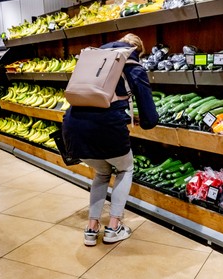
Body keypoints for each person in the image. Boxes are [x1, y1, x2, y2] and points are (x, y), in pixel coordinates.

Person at [62, 33, 159, 246]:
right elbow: (150, 118)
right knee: (125, 169)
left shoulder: (93, 58)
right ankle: (114, 227)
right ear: (137, 52)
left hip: (73, 125)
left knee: (102, 172)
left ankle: (91, 228)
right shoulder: (133, 65)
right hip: (106, 127)